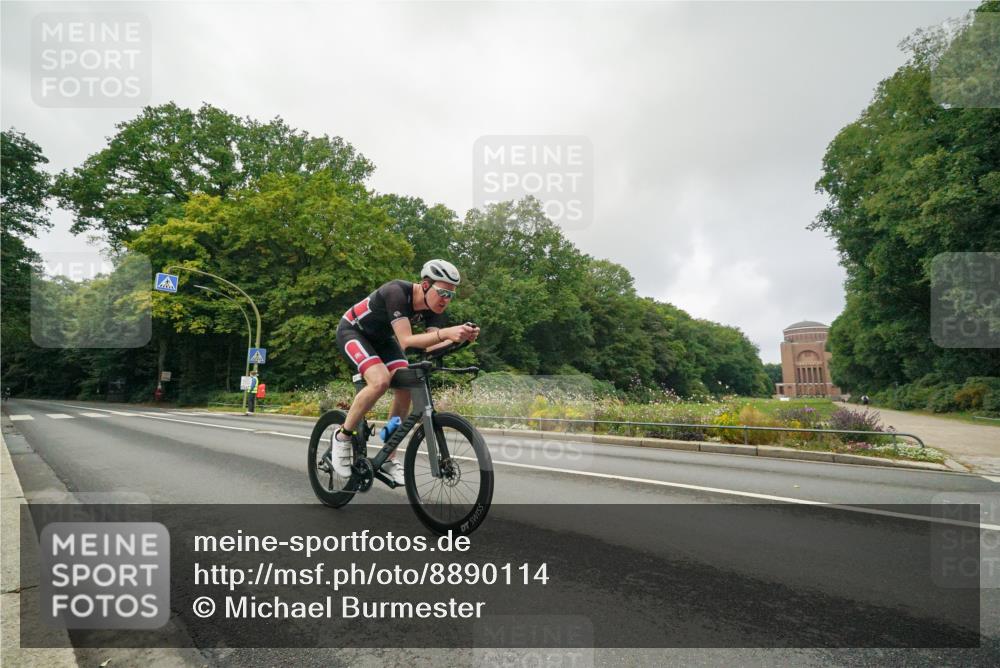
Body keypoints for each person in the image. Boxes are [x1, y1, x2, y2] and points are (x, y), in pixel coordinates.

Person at [331, 259, 479, 484]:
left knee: (406, 386)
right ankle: (342, 436)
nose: (445, 299)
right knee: (379, 381)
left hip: (382, 340)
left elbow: (431, 346)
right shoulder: (397, 292)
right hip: (354, 331)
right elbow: (407, 340)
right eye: (442, 292)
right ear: (426, 285)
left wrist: (460, 339)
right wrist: (447, 333)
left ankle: (388, 453)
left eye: (451, 295)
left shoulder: (434, 309)